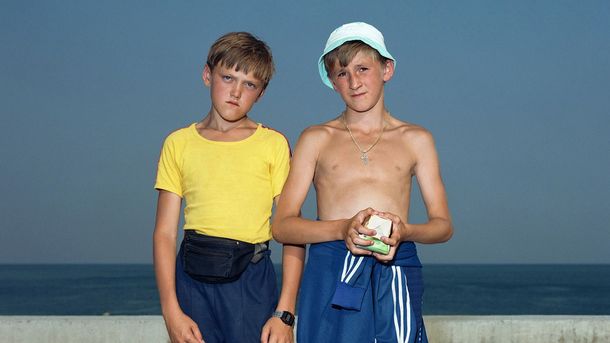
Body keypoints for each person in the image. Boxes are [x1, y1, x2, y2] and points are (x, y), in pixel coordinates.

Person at [272, 22, 453, 343]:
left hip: (396, 265)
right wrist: (342, 229)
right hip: (330, 268)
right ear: (331, 80)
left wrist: (406, 231)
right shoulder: (316, 138)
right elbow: (283, 226)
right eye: (342, 73)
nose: (354, 82)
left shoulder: (417, 139)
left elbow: (442, 225)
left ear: (387, 69)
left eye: (363, 68)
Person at [153, 31, 300, 343]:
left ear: (261, 93)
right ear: (208, 75)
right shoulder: (178, 143)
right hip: (191, 281)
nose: (236, 91)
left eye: (250, 84)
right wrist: (170, 310)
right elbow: (165, 233)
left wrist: (284, 313)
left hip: (252, 282)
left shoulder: (272, 144)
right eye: (228, 77)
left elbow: (292, 231)